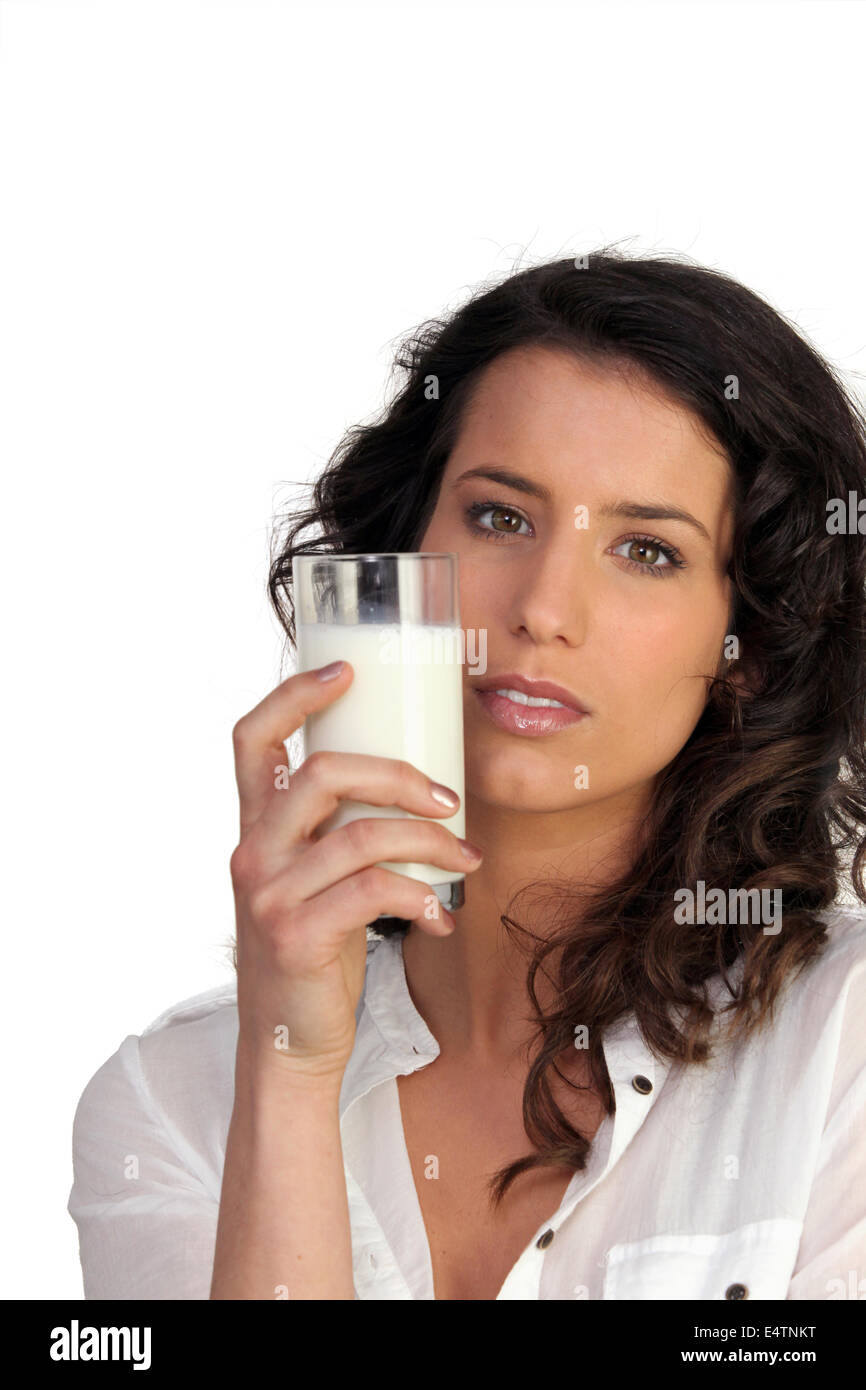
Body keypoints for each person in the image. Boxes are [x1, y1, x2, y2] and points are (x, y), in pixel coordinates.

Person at [68, 248, 866, 1300]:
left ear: (745, 645)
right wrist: (292, 1074)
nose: (542, 608)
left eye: (644, 550)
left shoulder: (837, 1049)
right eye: (499, 517)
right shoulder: (169, 1102)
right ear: (397, 563)